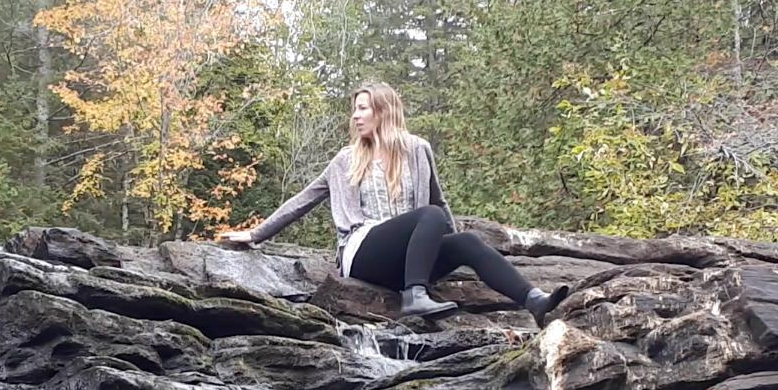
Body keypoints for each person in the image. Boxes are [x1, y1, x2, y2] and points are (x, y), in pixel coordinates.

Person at [217, 81, 569, 325]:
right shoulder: (345, 159)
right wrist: (256, 235)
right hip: (363, 253)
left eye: (362, 109)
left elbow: (438, 203)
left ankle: (534, 301)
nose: (355, 117)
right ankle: (414, 296)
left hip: (404, 261)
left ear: (383, 112)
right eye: (354, 110)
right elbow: (303, 199)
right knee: (430, 216)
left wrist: (451, 243)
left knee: (466, 241)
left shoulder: (417, 150)